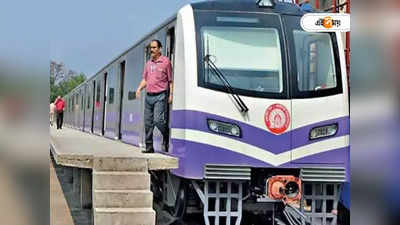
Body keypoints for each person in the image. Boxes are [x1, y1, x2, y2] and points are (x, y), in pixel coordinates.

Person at [136, 39, 173, 153]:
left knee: (158, 120)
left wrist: (171, 95)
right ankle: (149, 147)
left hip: (160, 95)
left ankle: (166, 135)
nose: (151, 50)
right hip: (149, 96)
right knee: (148, 123)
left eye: (154, 47)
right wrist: (139, 89)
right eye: (151, 48)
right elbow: (145, 79)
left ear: (159, 49)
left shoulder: (166, 62)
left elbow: (170, 80)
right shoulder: (148, 63)